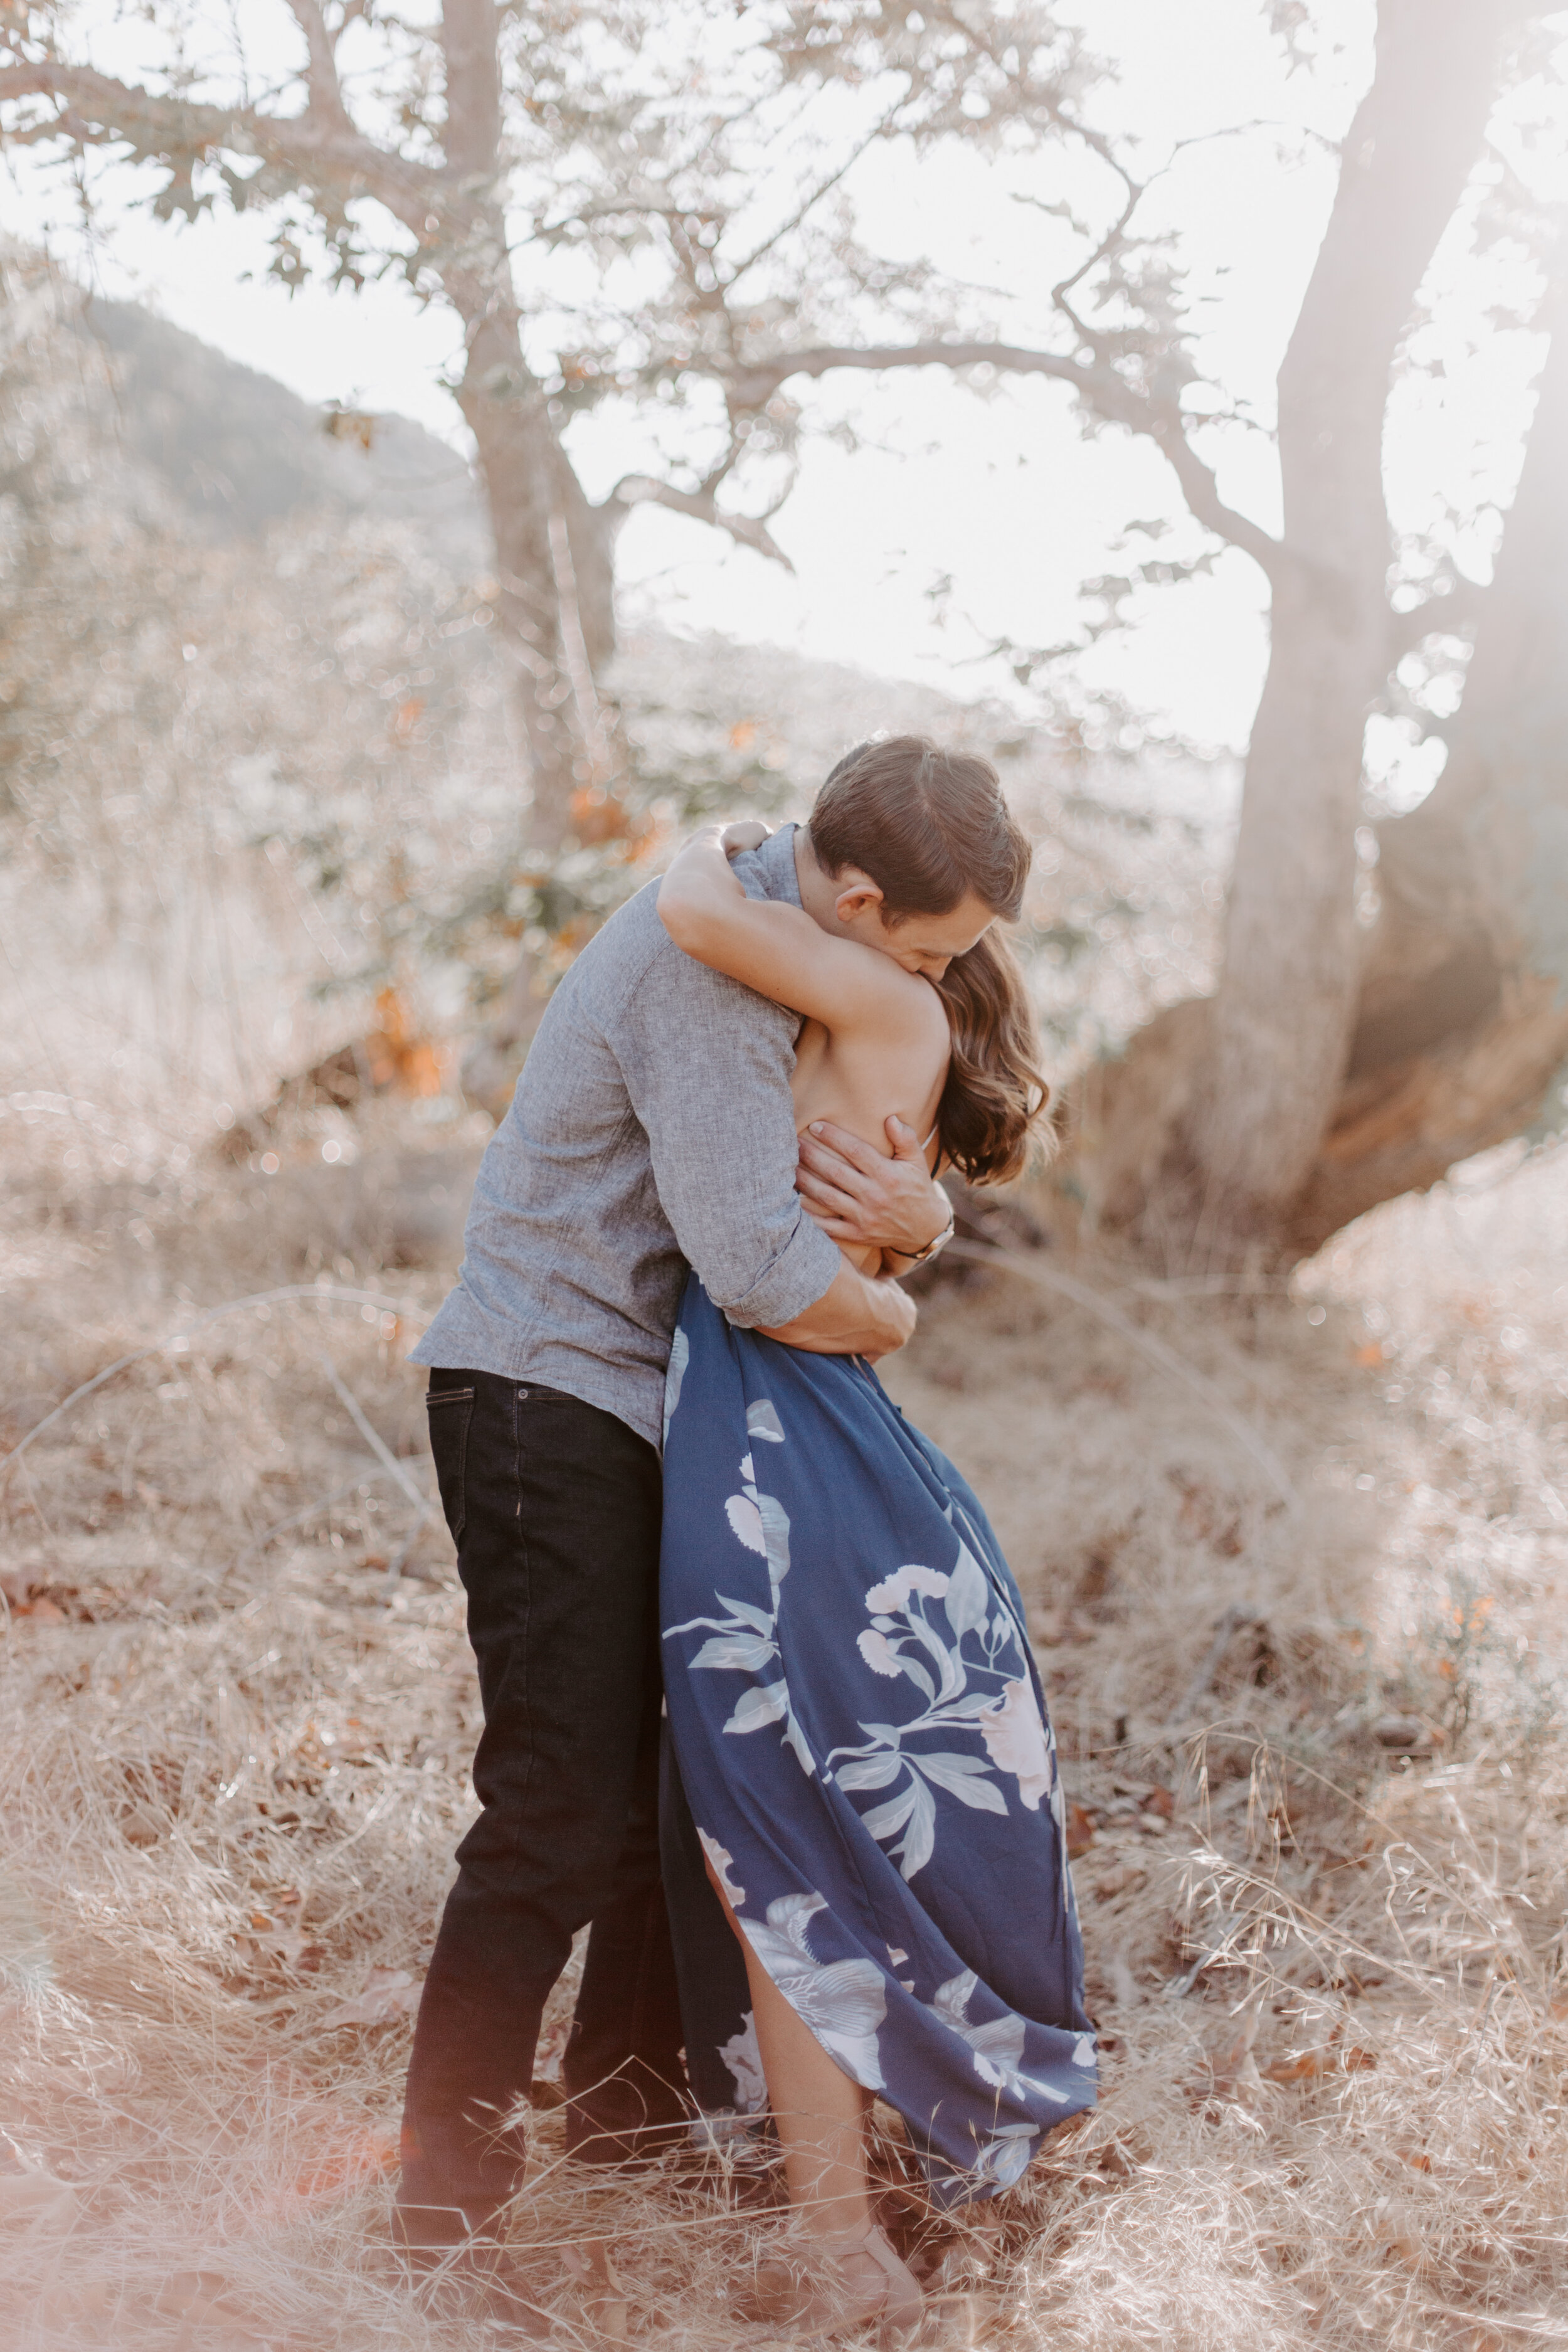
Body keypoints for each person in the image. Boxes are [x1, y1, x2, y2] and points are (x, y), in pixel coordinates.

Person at [395, 736, 1010, 2320]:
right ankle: (436, 2219)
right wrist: (892, 1318)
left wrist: (919, 1220)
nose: (939, 985)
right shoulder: (714, 973)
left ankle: (625, 2125)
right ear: (858, 898)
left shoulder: (766, 923)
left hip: (651, 1408)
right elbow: (752, 1266)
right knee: (557, 1807)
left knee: (683, 1787)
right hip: (550, 1392)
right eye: (930, 955)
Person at [656, 745, 1094, 2341]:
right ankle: (855, 2197)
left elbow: (693, 904)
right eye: (932, 942)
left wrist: (712, 836)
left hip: (778, 1435)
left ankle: (842, 2219)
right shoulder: (895, 1007)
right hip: (820, 1431)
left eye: (935, 955)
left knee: (779, 1832)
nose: (933, 973)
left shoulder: (880, 1004)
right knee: (793, 1826)